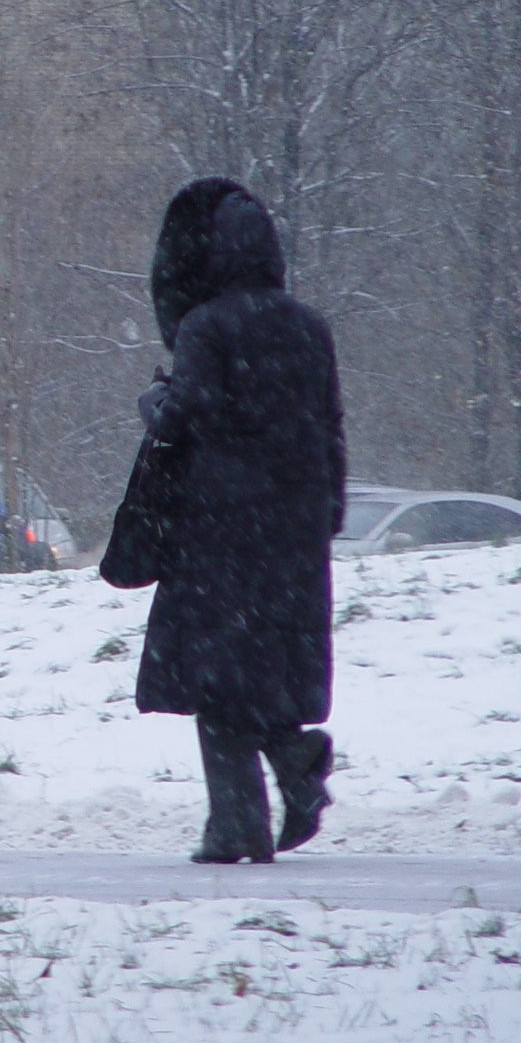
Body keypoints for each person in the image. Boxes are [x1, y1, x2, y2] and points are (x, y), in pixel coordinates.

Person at [124, 178, 346, 864]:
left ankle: (239, 824)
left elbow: (185, 416)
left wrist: (152, 402)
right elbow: (331, 425)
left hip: (219, 526)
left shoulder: (207, 325)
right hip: (294, 527)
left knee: (217, 675)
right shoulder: (309, 326)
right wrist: (327, 508)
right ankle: (295, 763)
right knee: (260, 666)